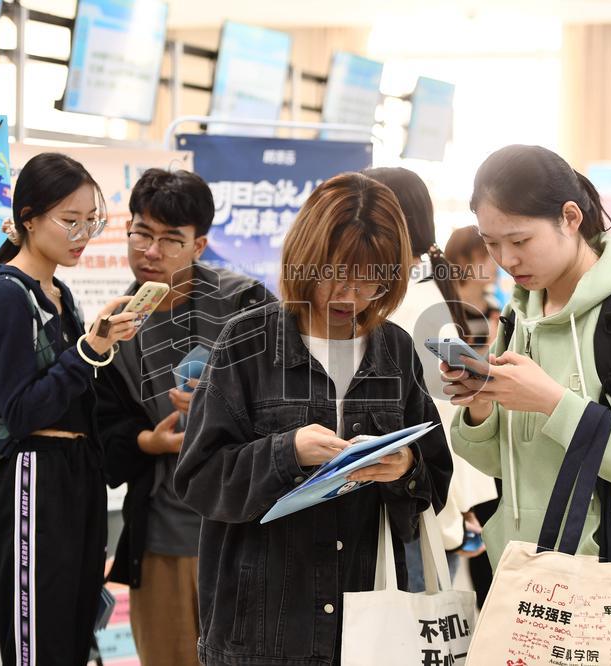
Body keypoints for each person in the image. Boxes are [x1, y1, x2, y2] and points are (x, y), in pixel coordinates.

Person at [174, 173, 452, 665]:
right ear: (307, 257)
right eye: (338, 273)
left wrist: (405, 468)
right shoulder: (248, 341)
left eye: (371, 279)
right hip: (261, 631)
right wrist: (288, 452)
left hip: (365, 627)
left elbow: (435, 479)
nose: (352, 294)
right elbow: (199, 479)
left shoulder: (395, 349)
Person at [444, 145, 611, 663]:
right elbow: (506, 466)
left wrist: (553, 404)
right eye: (493, 244)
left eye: (519, 240)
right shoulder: (522, 318)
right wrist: (478, 405)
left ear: (570, 217)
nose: (507, 260)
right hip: (529, 596)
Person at [0, 152, 138, 665]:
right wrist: (88, 351)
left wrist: (97, 346)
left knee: (73, 633)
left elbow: (71, 393)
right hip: (33, 475)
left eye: (92, 221)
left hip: (75, 476)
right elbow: (21, 412)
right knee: (36, 643)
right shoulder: (5, 294)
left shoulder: (57, 292)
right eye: (70, 220)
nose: (82, 234)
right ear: (28, 219)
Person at [95, 169, 275, 666]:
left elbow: (291, 407)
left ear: (199, 247)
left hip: (243, 530)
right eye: (142, 234)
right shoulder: (113, 325)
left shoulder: (246, 305)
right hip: (162, 540)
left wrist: (221, 412)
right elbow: (105, 434)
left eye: (171, 240)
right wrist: (148, 443)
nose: (151, 252)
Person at [363, 167, 496, 590]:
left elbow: (444, 413)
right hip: (424, 503)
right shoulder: (420, 292)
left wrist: (457, 508)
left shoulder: (409, 301)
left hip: (414, 510)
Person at [444, 224, 502, 346]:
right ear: (462, 261)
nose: (495, 262)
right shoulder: (447, 309)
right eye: (485, 256)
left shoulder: (494, 306)